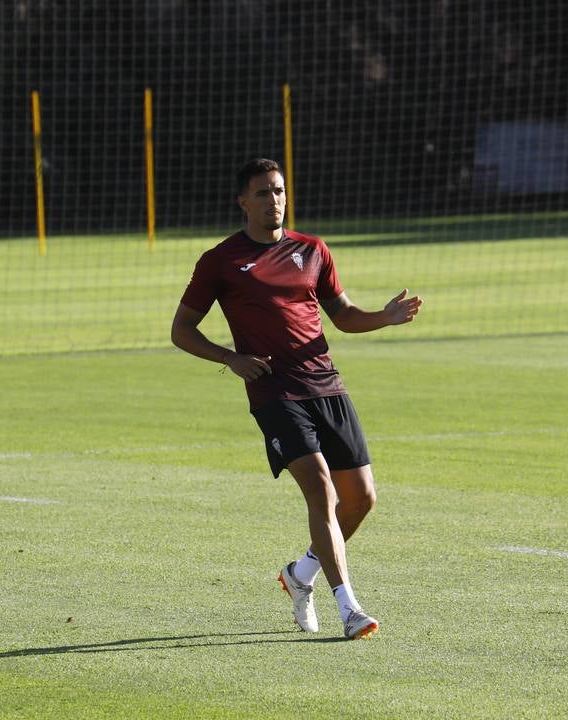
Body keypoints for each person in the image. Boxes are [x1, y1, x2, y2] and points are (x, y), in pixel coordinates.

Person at [170, 158, 423, 640]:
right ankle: (349, 608)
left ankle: (301, 573)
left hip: (326, 385)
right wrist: (230, 358)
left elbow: (343, 316)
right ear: (243, 202)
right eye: (263, 193)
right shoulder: (220, 260)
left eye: (279, 190)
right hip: (273, 391)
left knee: (361, 499)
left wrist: (384, 317)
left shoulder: (312, 249)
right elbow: (181, 330)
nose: (275, 200)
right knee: (321, 488)